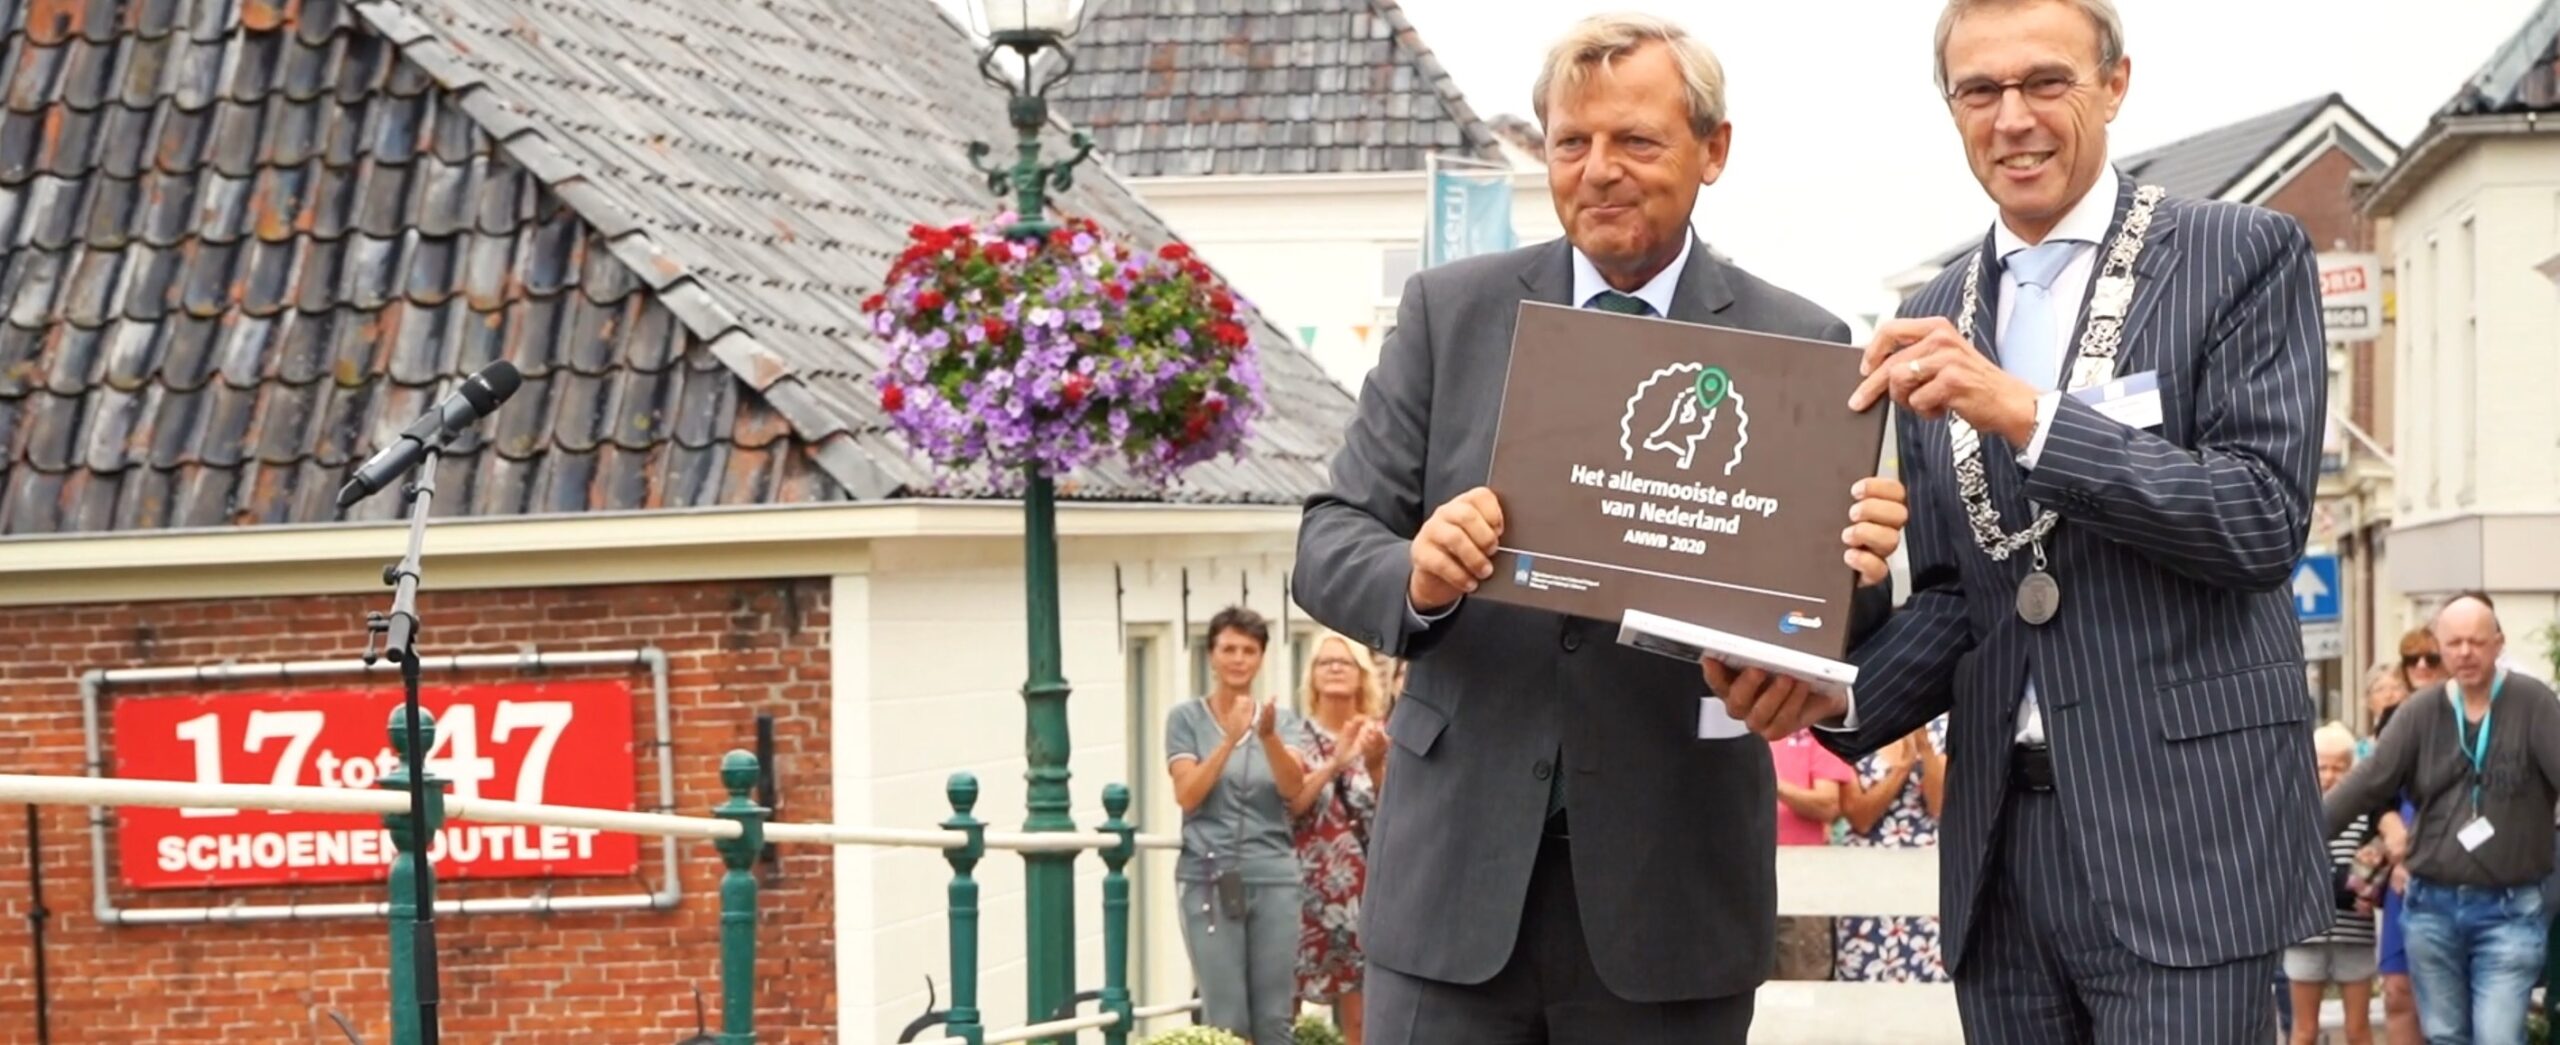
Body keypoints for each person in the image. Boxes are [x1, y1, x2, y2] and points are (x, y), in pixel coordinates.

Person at [1709, 0, 2336, 1039]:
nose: (2013, 117)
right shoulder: (1936, 308)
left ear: (2115, 85)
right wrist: (1823, 692)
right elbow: (1967, 598)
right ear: (1951, 108)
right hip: (2002, 848)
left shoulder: (2241, 255)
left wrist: (2027, 415)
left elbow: (2259, 519)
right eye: (1980, 91)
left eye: (2046, 82)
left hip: (2187, 843)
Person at [1291, 12, 1908, 1044]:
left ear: (1713, 150)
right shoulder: (1451, 313)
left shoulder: (1798, 342)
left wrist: (1862, 573)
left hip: (1671, 898)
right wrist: (1420, 575)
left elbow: (1831, 609)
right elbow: (1329, 539)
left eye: (1636, 141)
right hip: (1451, 890)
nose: (1598, 170)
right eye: (1571, 143)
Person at [2323, 594, 2560, 1045]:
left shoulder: (2533, 704)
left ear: (2498, 644)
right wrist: (2293, 840)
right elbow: (2369, 782)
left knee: (2498, 1038)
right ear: (2440, 645)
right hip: (2432, 907)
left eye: (2476, 641)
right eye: (2453, 643)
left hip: (2510, 910)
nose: (2465, 652)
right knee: (2446, 1036)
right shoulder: (2419, 712)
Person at [1165, 606, 1309, 1045]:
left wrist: (1265, 737)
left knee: (1273, 1018)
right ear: (1211, 655)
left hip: (1274, 876)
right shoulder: (1186, 719)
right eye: (1228, 648)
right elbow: (1187, 793)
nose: (1238, 659)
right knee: (1226, 1017)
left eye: (1249, 650)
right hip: (1209, 875)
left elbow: (1292, 787)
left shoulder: (1283, 723)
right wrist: (1229, 739)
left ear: (1261, 658)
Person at [1286, 630, 1388, 1045]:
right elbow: (1293, 804)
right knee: (1284, 1009)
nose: (1333, 669)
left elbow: (1395, 816)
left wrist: (1376, 763)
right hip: (1301, 890)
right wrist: (1336, 762)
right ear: (1311, 676)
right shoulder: (1295, 735)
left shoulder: (1380, 734)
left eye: (1342, 662)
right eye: (1324, 663)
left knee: (1362, 1018)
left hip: (1362, 893)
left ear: (1361, 675)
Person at [1833, 718, 1952, 983]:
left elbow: (1939, 805)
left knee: (1928, 977)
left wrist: (1924, 747)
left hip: (1926, 877)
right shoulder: (1853, 729)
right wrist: (1902, 768)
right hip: (1866, 878)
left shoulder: (1943, 727)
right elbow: (1859, 817)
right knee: (1864, 972)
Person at [2288, 723, 2380, 1045]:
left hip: (2354, 931)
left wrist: (2370, 885)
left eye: (2339, 768)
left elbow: (2375, 868)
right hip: (2305, 934)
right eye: (2322, 767)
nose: (2329, 776)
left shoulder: (2364, 817)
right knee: (2304, 1030)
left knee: (2357, 1029)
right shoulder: (2295, 814)